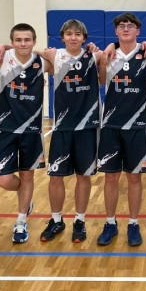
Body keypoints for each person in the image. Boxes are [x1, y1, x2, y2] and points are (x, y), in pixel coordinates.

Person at [38, 19, 102, 244]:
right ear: (62, 37)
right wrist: (5, 46)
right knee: (56, 176)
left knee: (83, 176)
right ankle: (56, 220)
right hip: (62, 127)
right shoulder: (54, 56)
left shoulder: (94, 56)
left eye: (78, 34)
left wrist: (99, 48)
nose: (73, 37)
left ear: (84, 38)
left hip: (87, 126)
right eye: (69, 34)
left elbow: (110, 53)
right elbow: (26, 51)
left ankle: (79, 220)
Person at [96, 13, 146, 246]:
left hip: (137, 125)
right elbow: (100, 81)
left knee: (134, 178)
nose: (126, 29)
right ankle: (110, 223)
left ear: (138, 31)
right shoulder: (108, 54)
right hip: (110, 124)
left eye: (130, 26)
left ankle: (133, 223)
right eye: (121, 26)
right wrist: (105, 54)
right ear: (116, 31)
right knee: (110, 178)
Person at [0, 23, 51, 243]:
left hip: (32, 130)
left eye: (27, 40)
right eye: (18, 40)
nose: (23, 43)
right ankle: (25, 197)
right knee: (4, 180)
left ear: (34, 41)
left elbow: (65, 58)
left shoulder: (42, 62)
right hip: (5, 128)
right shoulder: (2, 59)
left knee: (28, 176)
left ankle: (20, 221)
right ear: (12, 42)